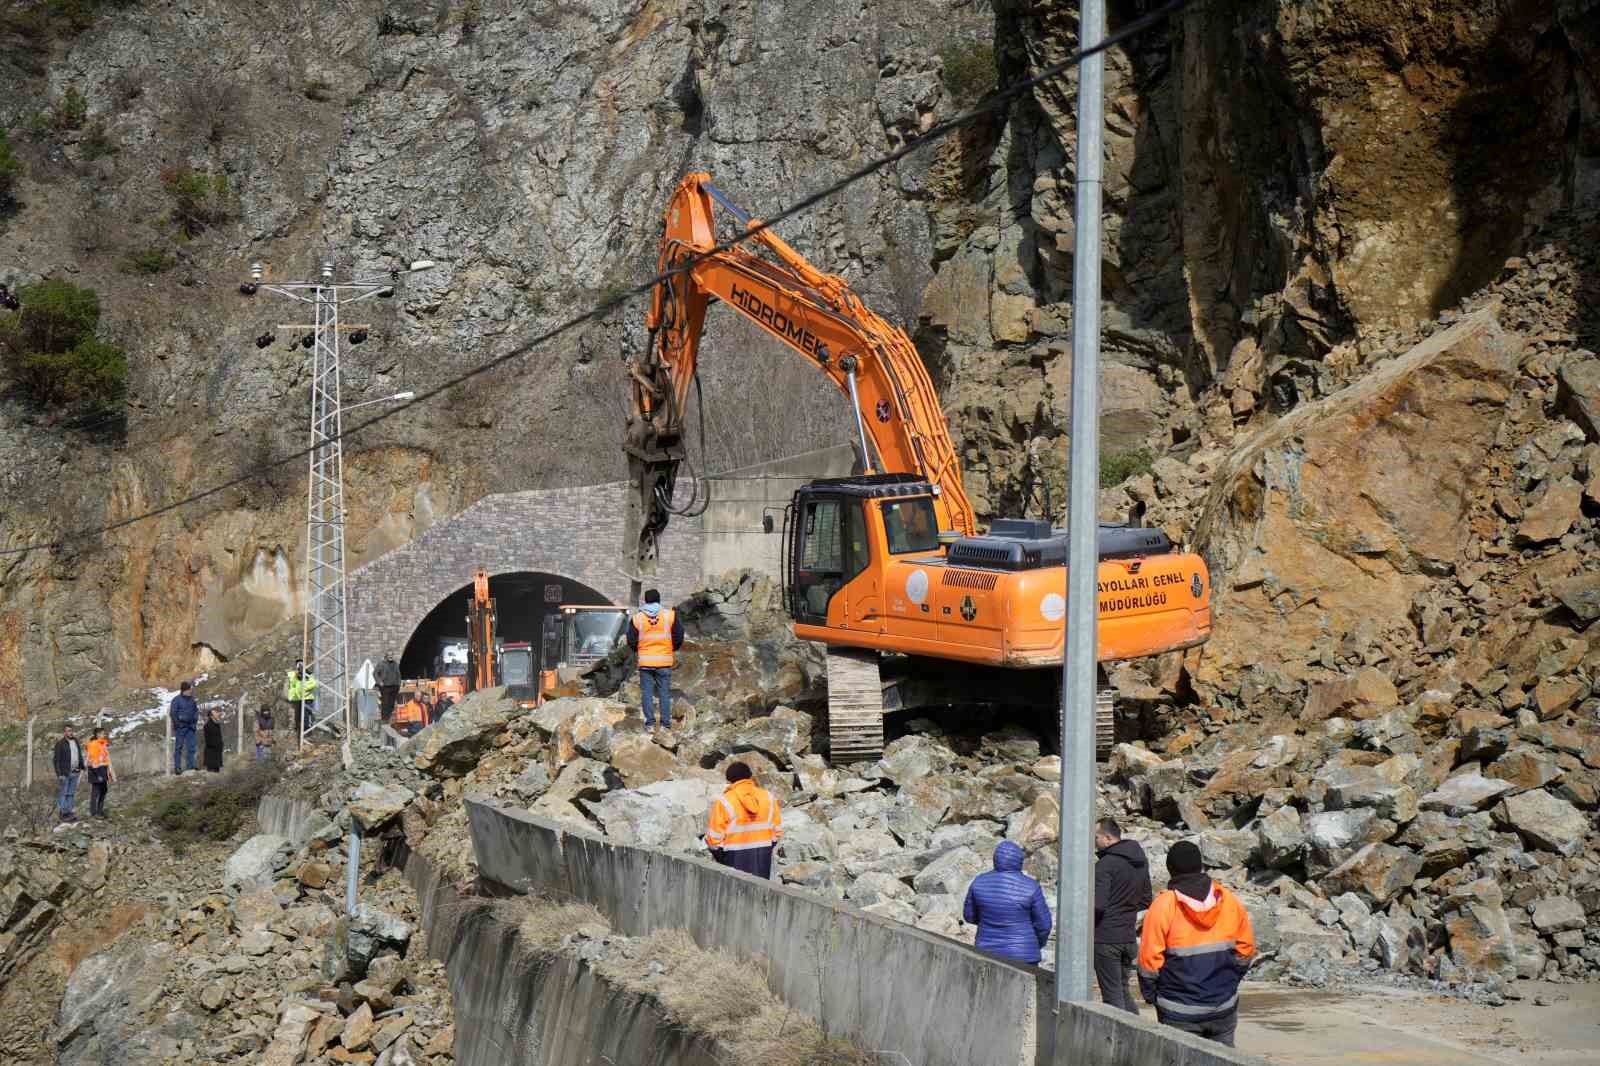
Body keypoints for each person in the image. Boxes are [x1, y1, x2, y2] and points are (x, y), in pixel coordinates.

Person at [1138, 840, 1256, 1047]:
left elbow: (1149, 962)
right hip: (1222, 1007)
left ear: (1170, 870)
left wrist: (1153, 996)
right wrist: (1228, 982)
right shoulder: (1227, 899)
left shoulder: (1163, 906)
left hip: (1178, 1011)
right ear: (1201, 866)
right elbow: (1245, 951)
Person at [1094, 818, 1153, 1014]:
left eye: (1096, 837)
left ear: (1108, 838)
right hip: (1128, 937)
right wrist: (1125, 910)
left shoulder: (1105, 864)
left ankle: (1118, 1042)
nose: (1094, 841)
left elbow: (1099, 905)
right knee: (1123, 991)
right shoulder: (1139, 862)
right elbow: (1146, 900)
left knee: (1112, 996)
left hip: (1106, 938)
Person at [962, 841, 1053, 965]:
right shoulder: (1031, 886)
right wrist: (1037, 944)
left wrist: (989, 920)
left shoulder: (979, 882)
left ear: (995, 859)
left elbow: (969, 916)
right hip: (1024, 956)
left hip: (986, 953)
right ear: (1020, 861)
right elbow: (1044, 925)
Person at [705, 761, 782, 879]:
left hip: (734, 857)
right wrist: (767, 846)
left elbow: (713, 839)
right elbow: (777, 831)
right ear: (750, 776)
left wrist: (722, 858)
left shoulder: (725, 801)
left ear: (729, 780)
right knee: (760, 892)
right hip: (762, 856)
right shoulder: (768, 797)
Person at [626, 588, 683, 734]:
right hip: (664, 661)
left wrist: (639, 650)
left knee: (646, 693)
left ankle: (650, 724)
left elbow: (631, 640)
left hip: (645, 661)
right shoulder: (670, 615)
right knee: (664, 693)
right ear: (659, 600)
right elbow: (679, 635)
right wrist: (671, 648)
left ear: (645, 600)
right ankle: (665, 725)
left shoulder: (637, 618)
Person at [53, 724, 86, 822]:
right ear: (64, 732)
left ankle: (70, 812)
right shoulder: (60, 744)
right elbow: (56, 760)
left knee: (71, 793)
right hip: (65, 773)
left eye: (71, 730)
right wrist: (59, 774)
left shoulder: (75, 741)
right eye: (68, 731)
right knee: (63, 793)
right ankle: (63, 813)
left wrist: (82, 766)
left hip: (75, 771)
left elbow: (79, 754)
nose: (70, 732)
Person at [169, 681, 200, 774]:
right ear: (184, 690)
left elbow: (196, 711)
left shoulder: (192, 700)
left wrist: (194, 722)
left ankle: (191, 766)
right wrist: (178, 724)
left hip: (191, 727)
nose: (191, 691)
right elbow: (173, 713)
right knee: (178, 747)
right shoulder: (176, 700)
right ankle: (177, 768)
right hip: (181, 728)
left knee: (191, 747)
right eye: (190, 689)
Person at [85, 728, 114, 818]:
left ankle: (100, 811)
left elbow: (105, 760)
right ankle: (94, 813)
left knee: (103, 791)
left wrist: (109, 773)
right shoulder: (93, 745)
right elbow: (91, 761)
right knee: (96, 793)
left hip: (103, 770)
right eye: (102, 734)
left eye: (104, 733)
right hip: (96, 772)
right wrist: (98, 774)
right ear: (97, 734)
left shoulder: (102, 744)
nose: (104, 735)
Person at [284, 660, 317, 734]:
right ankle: (297, 729)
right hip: (296, 698)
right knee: (297, 716)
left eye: (301, 664)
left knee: (306, 715)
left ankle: (307, 731)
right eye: (298, 664)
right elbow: (289, 685)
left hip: (307, 698)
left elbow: (313, 684)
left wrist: (302, 688)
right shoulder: (292, 674)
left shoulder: (309, 674)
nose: (299, 666)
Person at [375, 652, 402, 723]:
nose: (390, 657)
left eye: (391, 655)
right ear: (386, 656)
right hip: (385, 686)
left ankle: (388, 718)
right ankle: (384, 719)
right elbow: (375, 673)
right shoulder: (381, 664)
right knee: (385, 703)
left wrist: (399, 683)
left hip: (394, 686)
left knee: (391, 704)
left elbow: (398, 674)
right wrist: (379, 682)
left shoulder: (395, 664)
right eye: (389, 655)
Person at [202, 707, 225, 773]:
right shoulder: (208, 725)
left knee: (216, 773)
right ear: (211, 716)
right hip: (211, 754)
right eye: (215, 713)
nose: (217, 714)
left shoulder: (217, 724)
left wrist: (220, 744)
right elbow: (208, 740)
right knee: (211, 773)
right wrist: (216, 745)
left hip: (217, 752)